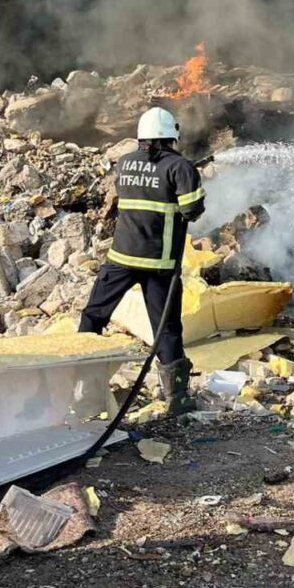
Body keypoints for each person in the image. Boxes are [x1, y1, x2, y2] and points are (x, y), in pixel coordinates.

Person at [79, 106, 205, 414]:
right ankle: (177, 399)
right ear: (170, 136)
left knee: (94, 315)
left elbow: (146, 190)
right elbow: (192, 211)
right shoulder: (181, 167)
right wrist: (190, 183)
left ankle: (83, 388)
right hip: (159, 265)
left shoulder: (125, 162)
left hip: (120, 258)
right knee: (167, 328)